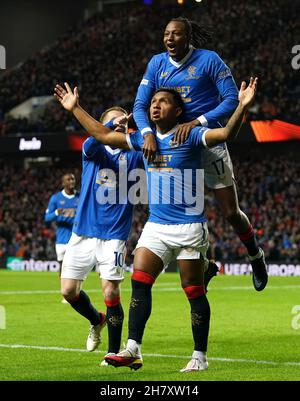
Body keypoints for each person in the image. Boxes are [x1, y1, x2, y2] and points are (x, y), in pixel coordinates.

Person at [54, 75, 258, 372]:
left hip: (180, 226)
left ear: (178, 110)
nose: (155, 105)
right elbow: (99, 134)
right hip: (149, 227)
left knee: (191, 290)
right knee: (129, 283)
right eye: (152, 102)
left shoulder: (180, 137)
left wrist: (241, 106)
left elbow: (225, 134)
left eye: (163, 101)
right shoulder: (126, 144)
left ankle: (197, 355)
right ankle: (131, 348)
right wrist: (77, 109)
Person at [133, 17, 268, 291]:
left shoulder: (209, 60)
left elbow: (231, 100)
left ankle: (255, 255)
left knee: (230, 212)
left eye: (177, 34)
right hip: (174, 148)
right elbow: (139, 104)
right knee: (184, 214)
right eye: (167, 34)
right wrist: (147, 133)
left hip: (206, 141)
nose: (170, 39)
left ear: (188, 37)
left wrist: (197, 122)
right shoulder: (157, 63)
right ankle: (205, 266)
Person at [57, 106, 144, 364]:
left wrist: (134, 125)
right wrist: (108, 127)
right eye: (111, 121)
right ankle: (97, 320)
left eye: (121, 120)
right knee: (69, 291)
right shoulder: (93, 151)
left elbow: (147, 141)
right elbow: (96, 137)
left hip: (114, 235)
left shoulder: (135, 154)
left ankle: (114, 352)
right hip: (83, 232)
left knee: (111, 292)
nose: (118, 124)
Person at [44, 173, 79, 274]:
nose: (72, 181)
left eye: (73, 179)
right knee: (62, 271)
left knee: (74, 271)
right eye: (68, 180)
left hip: (77, 238)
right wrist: (56, 213)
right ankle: (64, 290)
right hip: (62, 240)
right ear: (63, 183)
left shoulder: (80, 197)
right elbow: (47, 218)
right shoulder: (56, 198)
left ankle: (74, 289)